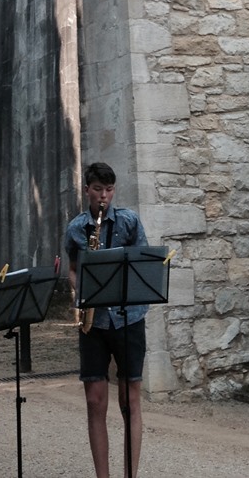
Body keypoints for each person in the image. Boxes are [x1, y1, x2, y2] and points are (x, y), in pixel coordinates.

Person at [65, 162, 150, 478]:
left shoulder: (129, 221)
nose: (104, 197)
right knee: (94, 400)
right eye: (98, 190)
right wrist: (79, 286)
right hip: (94, 321)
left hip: (129, 318)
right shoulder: (75, 228)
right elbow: (73, 268)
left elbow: (143, 262)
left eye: (109, 190)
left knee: (130, 399)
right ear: (87, 190)